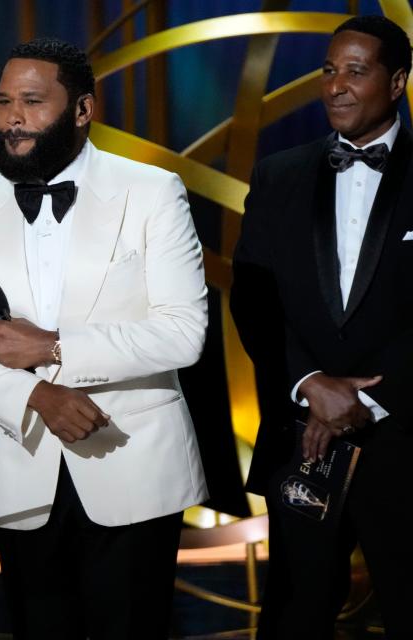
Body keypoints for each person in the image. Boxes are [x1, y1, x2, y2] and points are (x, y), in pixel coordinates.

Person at [0, 38, 208, 639]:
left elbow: (183, 334)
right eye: (3, 103)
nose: (13, 119)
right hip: (22, 469)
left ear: (82, 109)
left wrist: (54, 347)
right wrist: (36, 397)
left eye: (31, 101)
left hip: (134, 463)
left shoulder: (153, 191)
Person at [231, 15, 413, 639]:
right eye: (329, 70)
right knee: (294, 619)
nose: (336, 86)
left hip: (405, 438)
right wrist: (310, 381)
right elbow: (253, 300)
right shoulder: (278, 174)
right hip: (302, 441)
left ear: (398, 82)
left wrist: (365, 398)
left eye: (356, 71)